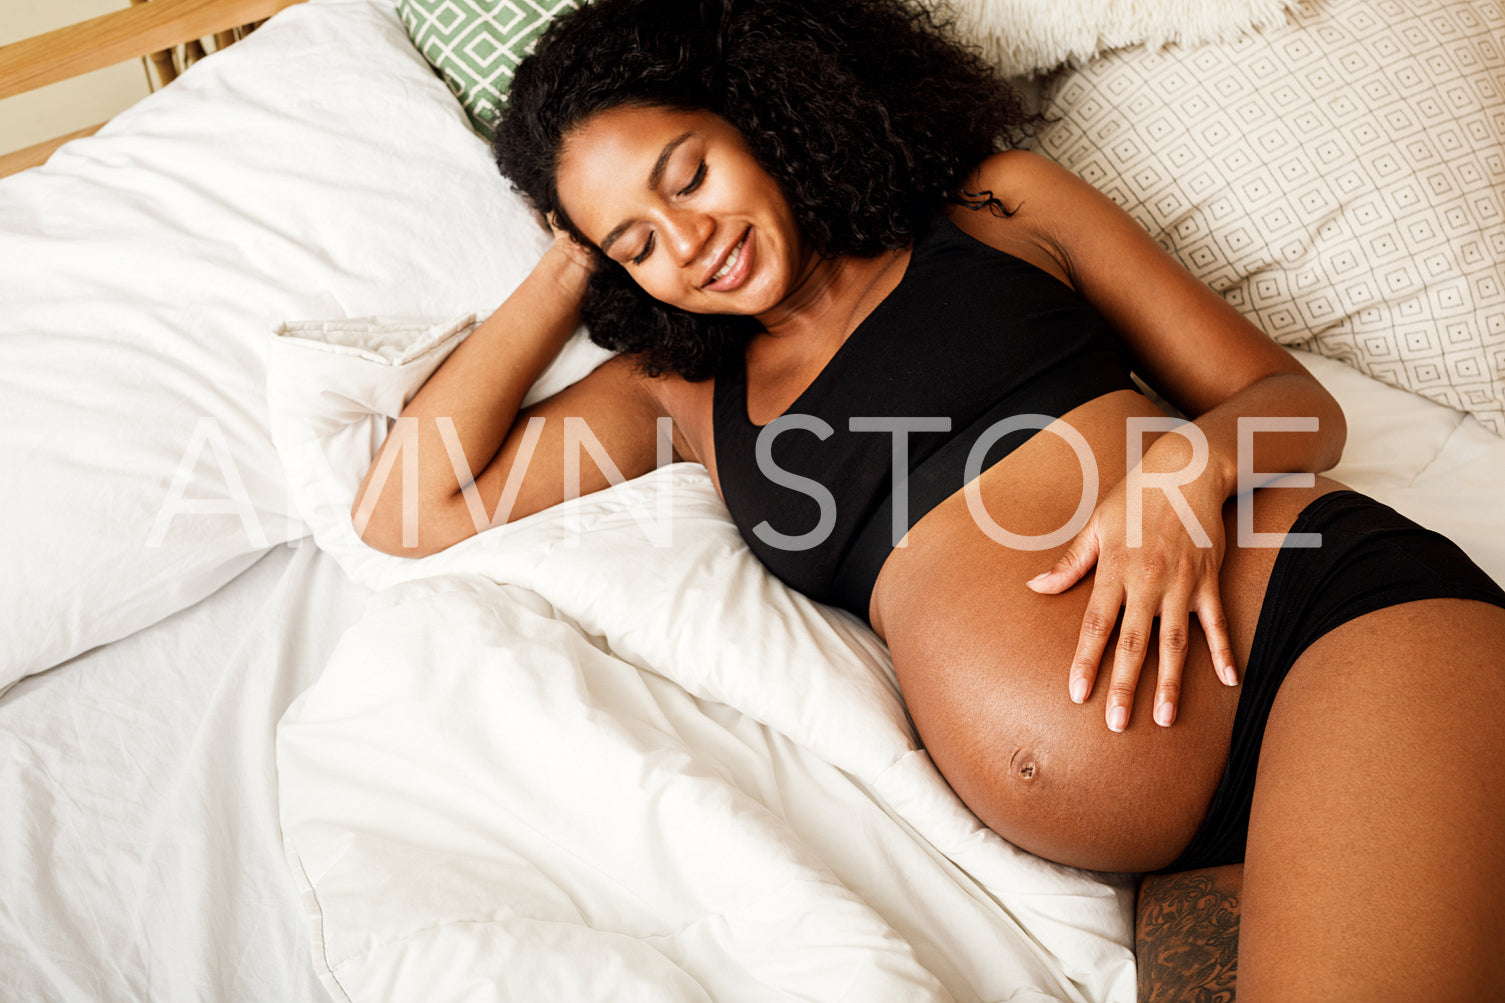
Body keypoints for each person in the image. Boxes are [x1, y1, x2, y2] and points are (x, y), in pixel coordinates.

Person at [351, 0, 1505, 997]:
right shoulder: (681, 392)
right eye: (637, 241)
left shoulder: (998, 210)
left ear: (758, 110)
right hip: (1179, 851)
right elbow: (405, 508)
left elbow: (1292, 401)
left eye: (689, 174)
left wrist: (1186, 473)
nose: (691, 243)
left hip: (1328, 636)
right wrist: (567, 261)